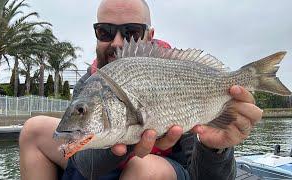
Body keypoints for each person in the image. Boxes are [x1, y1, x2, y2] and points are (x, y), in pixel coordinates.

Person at [19, 0, 263, 179]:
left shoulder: (178, 78)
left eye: (131, 32)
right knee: (33, 130)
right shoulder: (91, 83)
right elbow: (85, 165)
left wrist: (214, 147)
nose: (116, 42)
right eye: (105, 31)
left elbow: (202, 176)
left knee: (143, 169)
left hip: (159, 172)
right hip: (107, 159)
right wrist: (120, 148)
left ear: (150, 35)